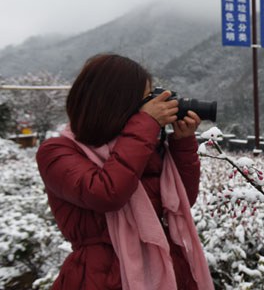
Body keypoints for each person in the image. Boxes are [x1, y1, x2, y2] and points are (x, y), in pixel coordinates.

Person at [36, 53, 214, 290]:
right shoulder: (56, 152)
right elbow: (107, 193)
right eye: (144, 101)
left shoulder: (137, 147)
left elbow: (182, 201)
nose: (149, 108)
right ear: (113, 102)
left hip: (168, 269)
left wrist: (182, 143)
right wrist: (146, 124)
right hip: (102, 278)